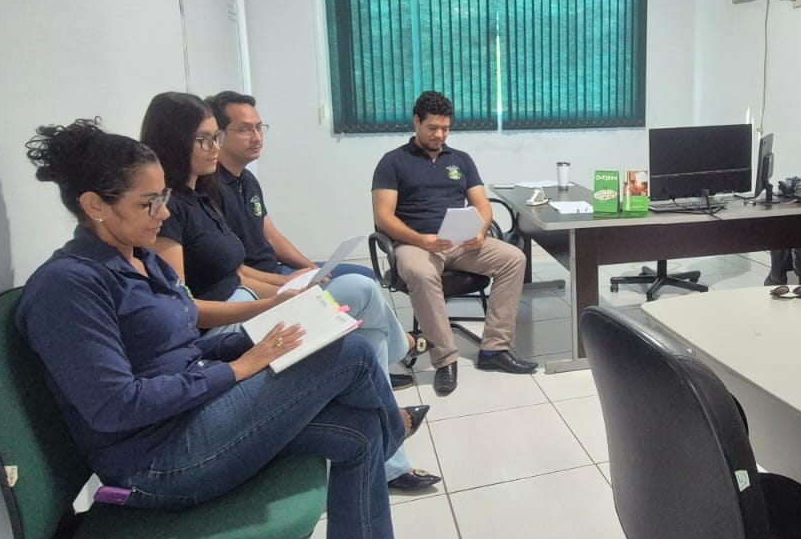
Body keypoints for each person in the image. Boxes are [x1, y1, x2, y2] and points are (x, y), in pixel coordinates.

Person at [16, 119, 429, 539]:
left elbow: (185, 345)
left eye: (163, 197)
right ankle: (397, 423)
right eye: (148, 203)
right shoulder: (67, 287)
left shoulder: (142, 260)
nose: (163, 213)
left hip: (198, 419)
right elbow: (116, 406)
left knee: (358, 432)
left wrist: (262, 335)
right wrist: (238, 369)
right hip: (160, 462)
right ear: (95, 205)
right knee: (348, 355)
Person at [143, 91, 439, 491]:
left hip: (252, 301)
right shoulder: (170, 209)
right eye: (207, 139)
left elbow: (238, 267)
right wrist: (279, 298)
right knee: (362, 298)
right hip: (226, 333)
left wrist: (301, 277)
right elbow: (185, 308)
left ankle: (389, 455)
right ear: (174, 141)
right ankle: (398, 369)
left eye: (217, 137)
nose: (215, 147)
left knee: (359, 304)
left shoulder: (204, 195)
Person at [372, 90, 536, 396]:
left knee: (514, 258)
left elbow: (481, 204)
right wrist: (420, 238)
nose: (440, 134)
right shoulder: (393, 162)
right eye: (433, 128)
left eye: (445, 128)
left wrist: (481, 229)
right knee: (421, 273)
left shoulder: (460, 160)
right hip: (415, 243)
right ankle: (445, 359)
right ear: (416, 121)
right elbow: (383, 216)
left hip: (460, 242)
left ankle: (494, 350)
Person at [204, 90, 377, 283]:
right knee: (359, 285)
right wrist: (290, 282)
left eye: (259, 128)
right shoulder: (208, 187)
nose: (257, 138)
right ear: (217, 135)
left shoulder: (247, 179)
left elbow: (271, 237)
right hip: (257, 282)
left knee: (365, 274)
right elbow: (231, 267)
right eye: (245, 130)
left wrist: (310, 267)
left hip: (276, 270)